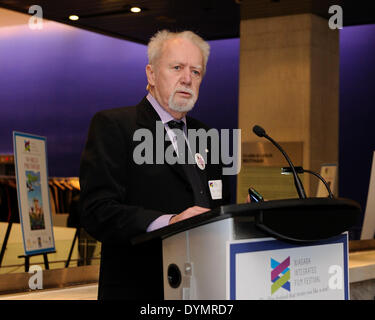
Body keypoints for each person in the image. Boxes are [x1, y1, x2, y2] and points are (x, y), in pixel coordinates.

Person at [79, 30, 231, 300]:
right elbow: (97, 211)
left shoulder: (209, 136)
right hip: (140, 288)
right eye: (177, 68)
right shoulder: (114, 126)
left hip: (203, 289)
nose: (187, 79)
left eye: (196, 72)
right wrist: (169, 223)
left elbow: (217, 205)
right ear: (151, 74)